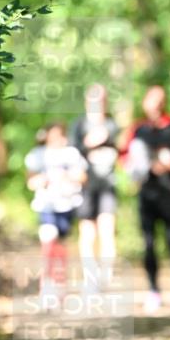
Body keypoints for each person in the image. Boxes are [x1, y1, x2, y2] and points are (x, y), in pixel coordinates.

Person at [120, 86, 170, 312]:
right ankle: (153, 289)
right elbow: (124, 155)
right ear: (145, 103)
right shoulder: (137, 129)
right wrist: (134, 169)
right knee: (148, 242)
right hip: (146, 192)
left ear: (164, 102)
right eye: (151, 100)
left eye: (159, 100)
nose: (154, 105)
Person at [24, 122, 88, 309]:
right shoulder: (37, 154)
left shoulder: (72, 154)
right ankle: (46, 285)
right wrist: (41, 180)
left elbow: (83, 177)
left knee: (60, 246)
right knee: (48, 241)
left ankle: (60, 285)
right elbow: (30, 180)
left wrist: (67, 177)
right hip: (46, 205)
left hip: (67, 205)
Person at [69, 83, 119, 285]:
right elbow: (71, 153)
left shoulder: (112, 125)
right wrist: (88, 143)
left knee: (107, 230)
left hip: (107, 185)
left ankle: (106, 275)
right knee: (88, 232)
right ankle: (90, 276)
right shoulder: (79, 125)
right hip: (86, 187)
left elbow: (121, 149)